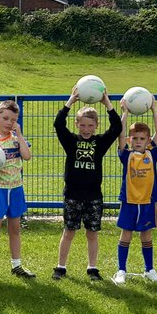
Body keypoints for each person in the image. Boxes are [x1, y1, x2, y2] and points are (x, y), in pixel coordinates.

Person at [53, 87, 121, 281]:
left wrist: (107, 102)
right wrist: (70, 102)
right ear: (77, 124)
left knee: (92, 233)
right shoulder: (71, 141)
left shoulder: (100, 143)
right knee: (69, 231)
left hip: (93, 196)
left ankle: (92, 268)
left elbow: (116, 127)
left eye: (90, 126)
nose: (86, 129)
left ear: (96, 126)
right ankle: (60, 266)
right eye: (82, 125)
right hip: (73, 194)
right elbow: (58, 124)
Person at [0, 99, 36, 285]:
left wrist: (19, 134)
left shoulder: (16, 139)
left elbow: (27, 156)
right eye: (5, 118)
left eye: (13, 119)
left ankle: (16, 265)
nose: (9, 122)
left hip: (16, 190)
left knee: (15, 229)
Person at [111, 96, 157, 285]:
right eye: (135, 138)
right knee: (126, 234)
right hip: (129, 201)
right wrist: (125, 112)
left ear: (148, 140)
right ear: (129, 140)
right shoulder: (126, 154)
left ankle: (149, 269)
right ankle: (121, 270)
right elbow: (119, 133)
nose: (139, 141)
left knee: (146, 236)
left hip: (148, 202)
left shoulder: (152, 153)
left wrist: (154, 109)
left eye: (142, 138)